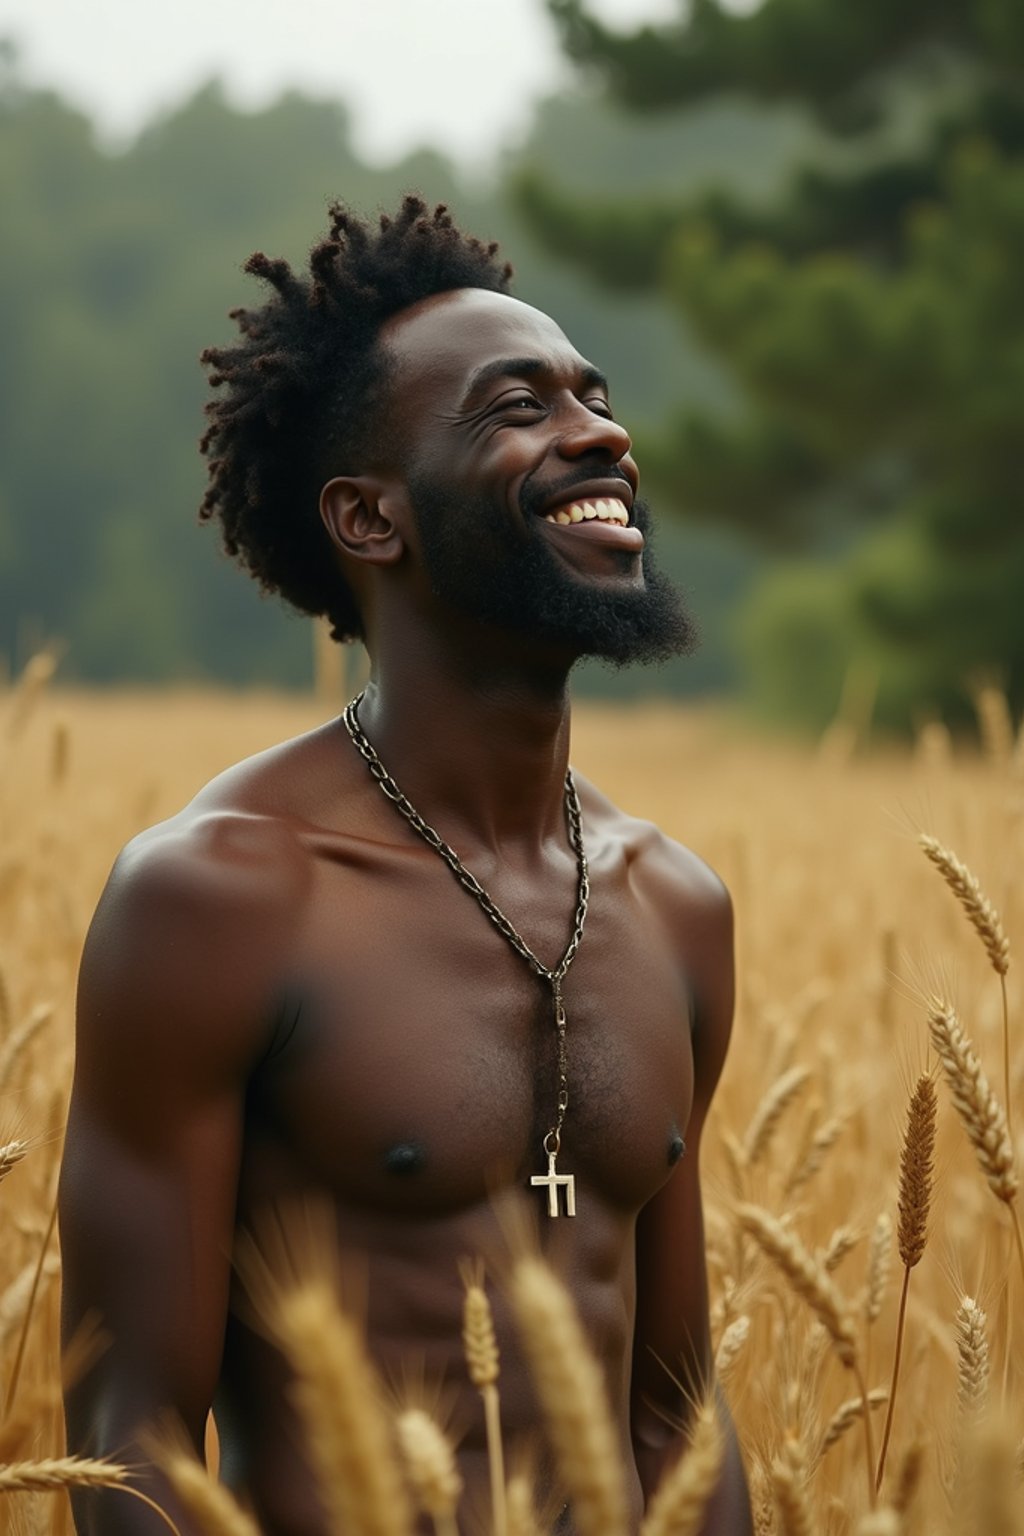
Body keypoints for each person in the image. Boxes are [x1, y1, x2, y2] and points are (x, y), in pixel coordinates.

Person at [59, 196, 752, 1536]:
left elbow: (674, 1413)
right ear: (371, 520)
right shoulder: (223, 899)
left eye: (595, 396)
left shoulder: (676, 905)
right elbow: (131, 1440)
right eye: (517, 409)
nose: (600, 433)